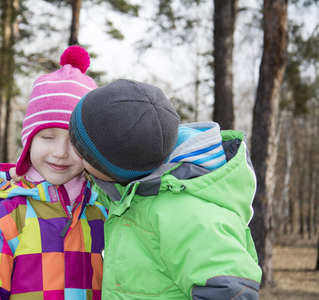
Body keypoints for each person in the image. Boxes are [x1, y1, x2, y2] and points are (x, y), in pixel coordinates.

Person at [68, 79, 262, 299]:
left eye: (82, 153)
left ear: (113, 170)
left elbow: (232, 291)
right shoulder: (133, 190)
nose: (71, 153)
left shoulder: (188, 214)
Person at [0, 46, 107, 300]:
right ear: (28, 142)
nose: (60, 152)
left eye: (74, 142)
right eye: (48, 136)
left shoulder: (105, 212)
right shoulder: (2, 221)